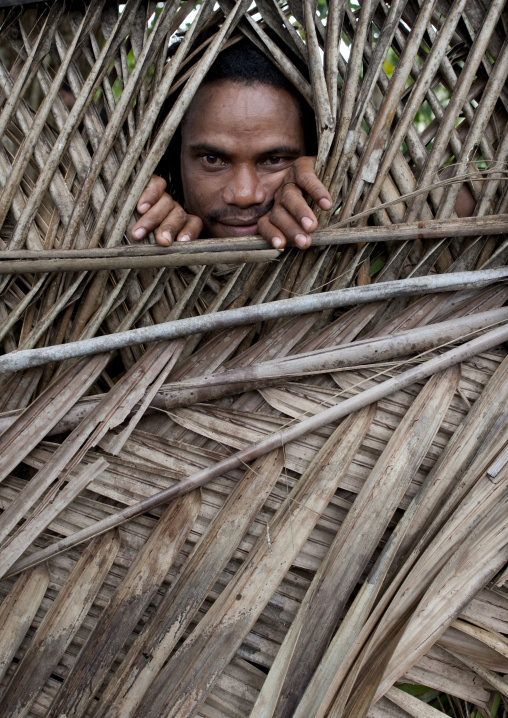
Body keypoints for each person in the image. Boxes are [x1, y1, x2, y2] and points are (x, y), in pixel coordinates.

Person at [131, 40, 475, 250]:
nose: (245, 194)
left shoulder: (364, 244)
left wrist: (341, 183)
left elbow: (465, 205)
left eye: (274, 159)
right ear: (173, 157)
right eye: (212, 159)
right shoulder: (135, 233)